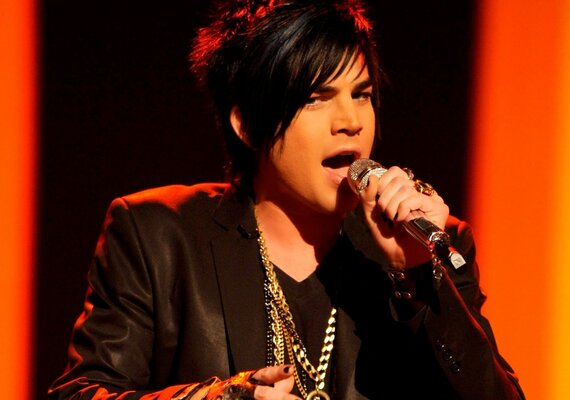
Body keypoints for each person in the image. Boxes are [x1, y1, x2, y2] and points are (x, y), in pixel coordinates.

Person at [48, 0, 525, 399]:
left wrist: (417, 279)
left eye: (361, 95)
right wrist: (224, 397)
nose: (350, 121)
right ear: (247, 125)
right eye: (316, 97)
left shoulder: (433, 245)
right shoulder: (158, 236)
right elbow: (81, 393)